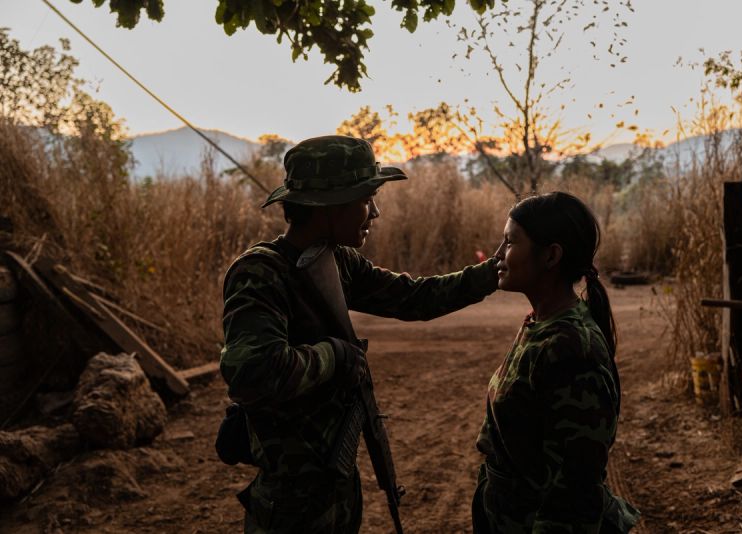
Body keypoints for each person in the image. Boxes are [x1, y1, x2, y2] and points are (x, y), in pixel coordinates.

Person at [219, 135, 499, 533]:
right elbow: (252, 373)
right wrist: (335, 355)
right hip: (291, 499)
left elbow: (413, 298)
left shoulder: (338, 262)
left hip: (336, 483)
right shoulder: (260, 274)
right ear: (329, 207)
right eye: (366, 200)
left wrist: (492, 272)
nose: (375, 212)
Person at [472, 192, 640, 533]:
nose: (498, 255)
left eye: (509, 242)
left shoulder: (572, 349)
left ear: (551, 256)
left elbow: (576, 486)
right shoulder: (540, 324)